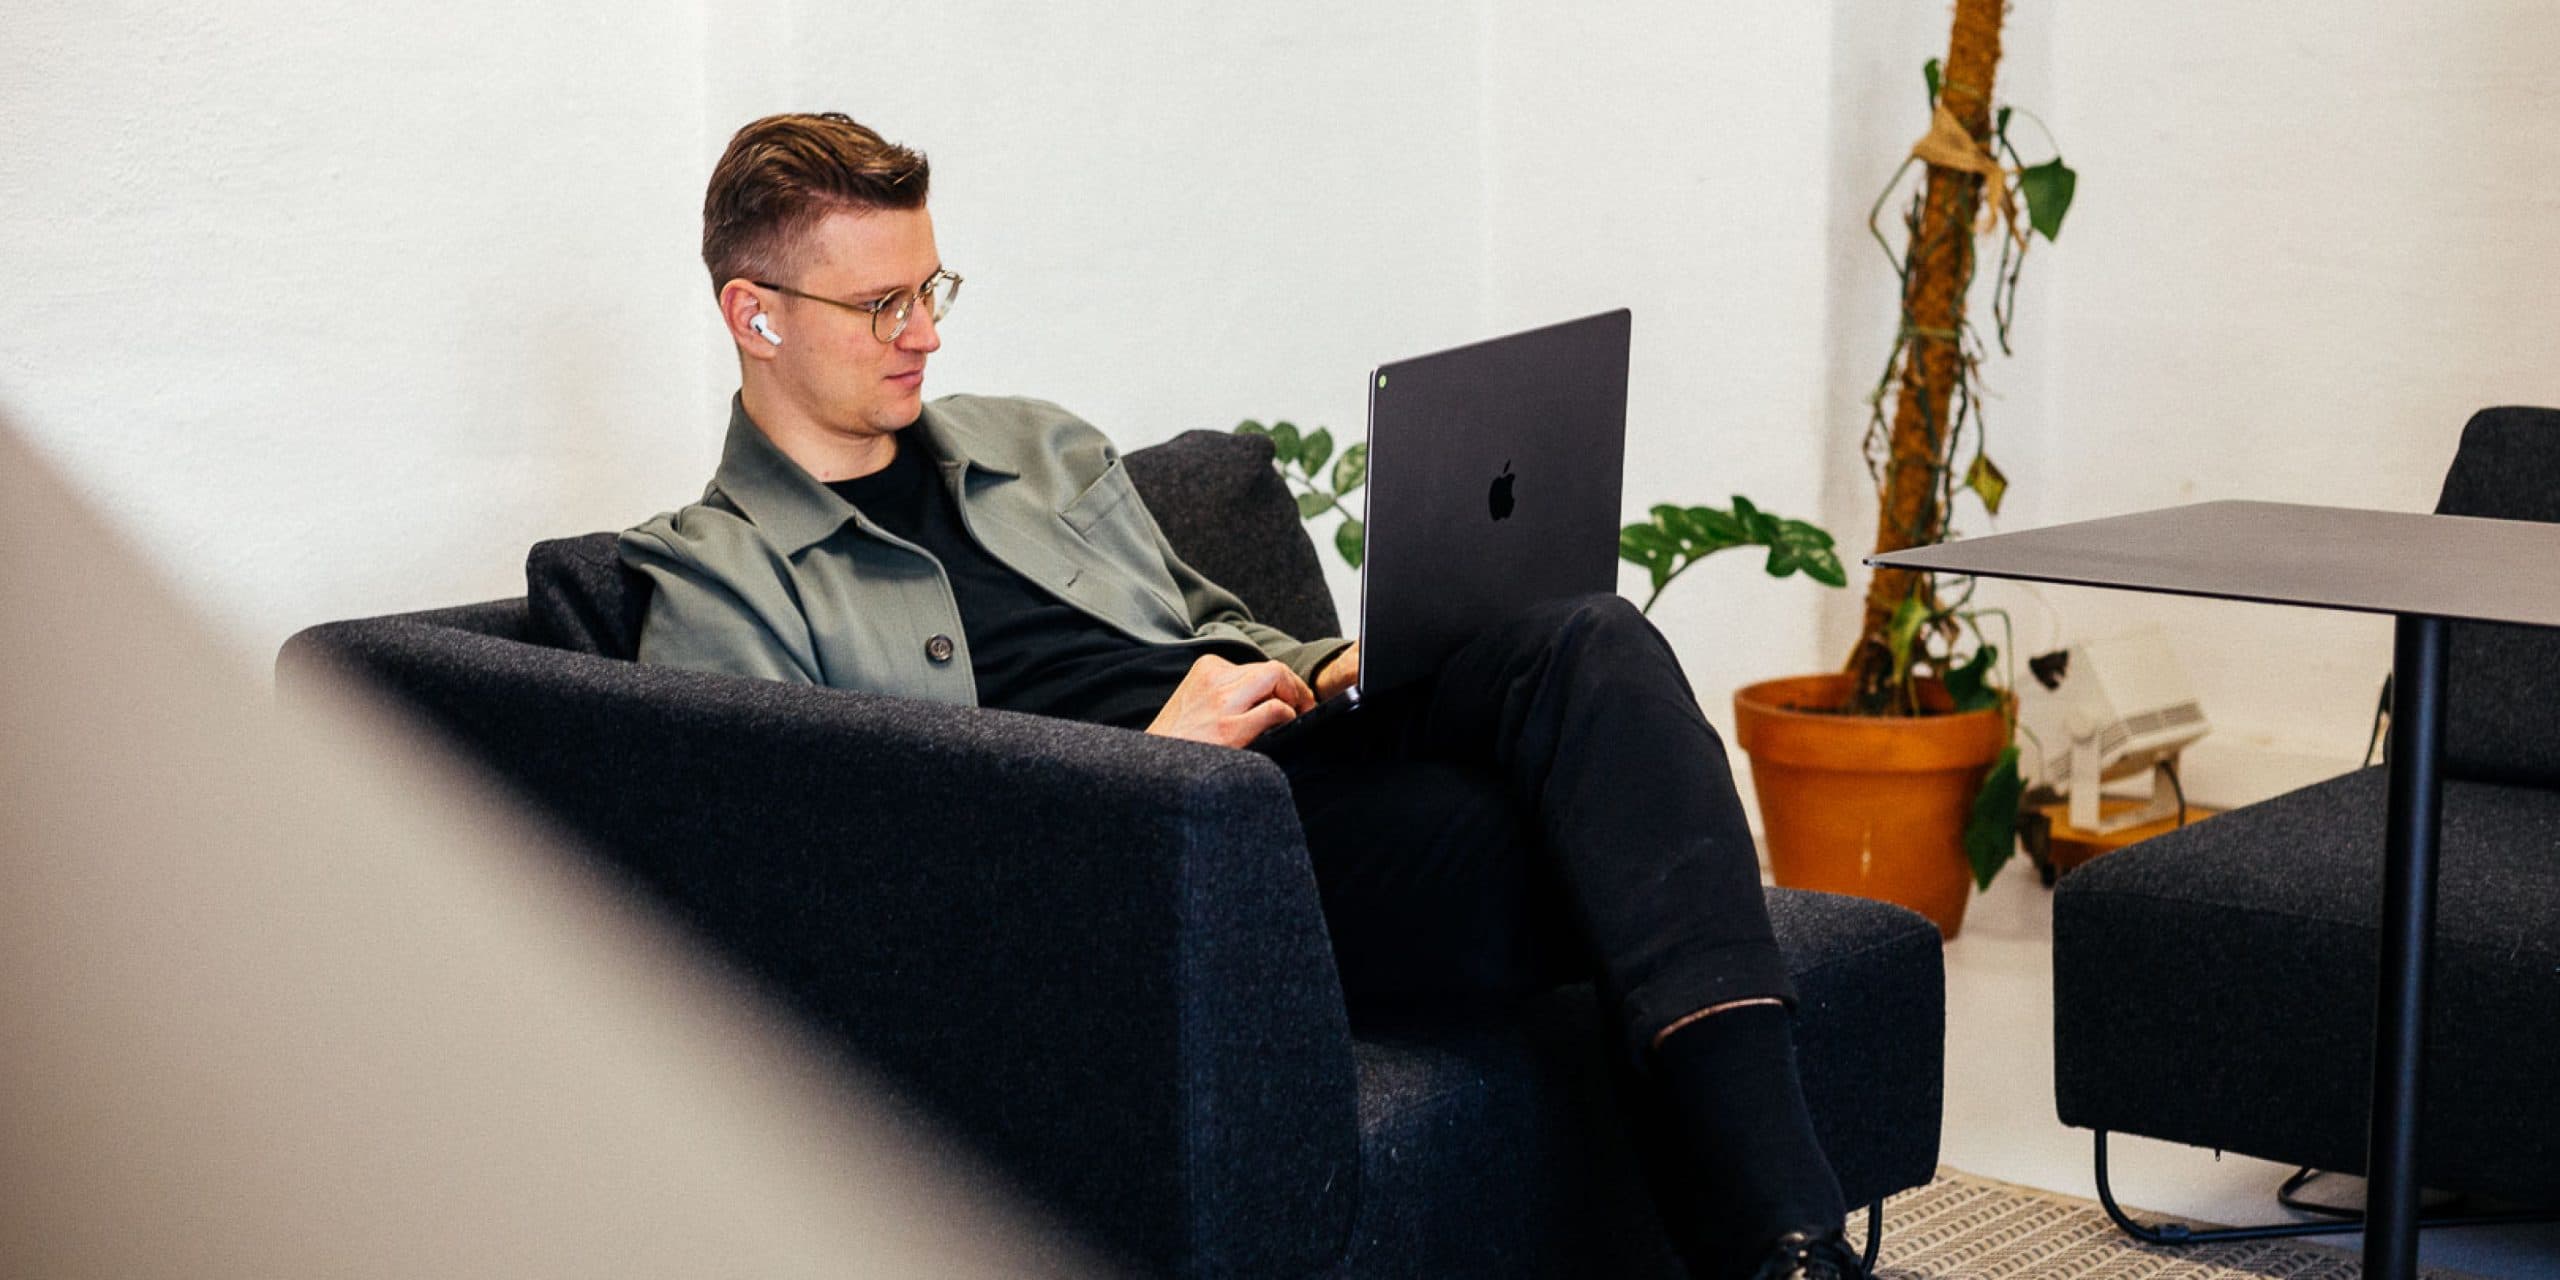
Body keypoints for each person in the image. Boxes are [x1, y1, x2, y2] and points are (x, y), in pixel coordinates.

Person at [621, 111, 1870, 1280]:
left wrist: (1327, 661)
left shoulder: (1031, 441)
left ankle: (1779, 1240)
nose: (928, 334)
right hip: (1185, 855)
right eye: (881, 303)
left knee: (1587, 635)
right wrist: (1143, 766)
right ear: (754, 314)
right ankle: (1787, 1239)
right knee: (1607, 836)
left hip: (1297, 743)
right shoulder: (710, 577)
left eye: (932, 289)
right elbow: (813, 885)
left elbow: (1197, 615)